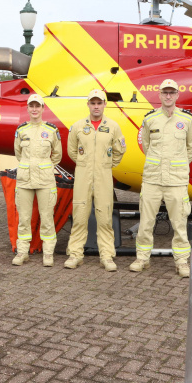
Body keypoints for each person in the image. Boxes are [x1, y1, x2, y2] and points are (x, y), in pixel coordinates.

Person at [132, 79, 192, 277]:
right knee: (146, 222)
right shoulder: (150, 118)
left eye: (172, 92)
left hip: (176, 180)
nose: (168, 96)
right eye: (165, 92)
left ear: (177, 95)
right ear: (159, 95)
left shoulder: (186, 119)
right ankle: (142, 258)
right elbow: (145, 145)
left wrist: (177, 164)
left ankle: (181, 261)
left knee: (179, 223)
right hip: (152, 178)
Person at [64, 89, 126, 271]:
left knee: (105, 217)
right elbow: (72, 151)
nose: (96, 106)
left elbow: (119, 151)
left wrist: (105, 165)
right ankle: (75, 254)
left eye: (99, 103)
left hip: (103, 176)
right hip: (83, 176)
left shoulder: (113, 126)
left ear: (105, 104)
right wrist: (85, 164)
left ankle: (106, 256)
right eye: (93, 103)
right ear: (88, 105)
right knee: (79, 217)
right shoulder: (77, 127)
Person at [12, 94, 63, 267]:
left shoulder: (51, 130)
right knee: (24, 218)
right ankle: (22, 252)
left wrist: (44, 166)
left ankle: (48, 253)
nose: (34, 109)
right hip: (25, 180)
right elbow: (18, 153)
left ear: (42, 108)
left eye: (37, 106)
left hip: (45, 180)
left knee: (47, 217)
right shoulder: (21, 130)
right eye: (31, 106)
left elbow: (57, 155)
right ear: (27, 108)